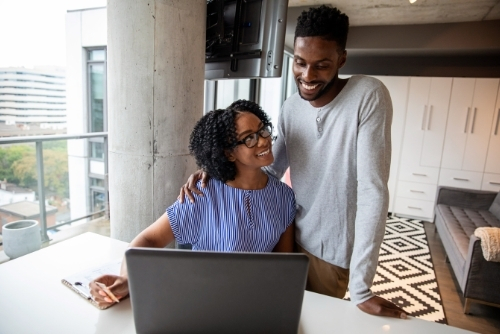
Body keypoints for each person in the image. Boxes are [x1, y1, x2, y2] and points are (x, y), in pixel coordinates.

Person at [179, 6, 407, 319]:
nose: (308, 76)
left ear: (341, 59)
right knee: (267, 317)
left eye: (321, 65)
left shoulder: (368, 95)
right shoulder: (291, 106)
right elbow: (267, 166)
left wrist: (363, 286)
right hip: (283, 232)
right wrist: (213, 172)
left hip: (328, 253)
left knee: (308, 322)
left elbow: (372, 191)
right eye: (300, 63)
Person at [90, 100, 296, 308]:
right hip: (204, 302)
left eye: (263, 130)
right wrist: (127, 279)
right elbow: (148, 240)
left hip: (258, 304)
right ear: (228, 153)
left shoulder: (285, 197)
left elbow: (284, 267)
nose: (263, 141)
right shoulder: (202, 194)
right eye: (249, 138)